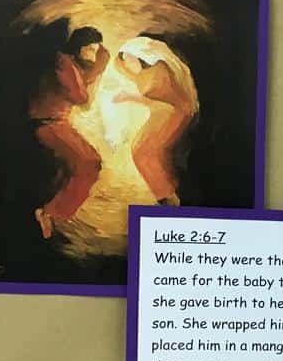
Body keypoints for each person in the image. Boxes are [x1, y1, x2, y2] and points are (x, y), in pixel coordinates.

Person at [29, 27, 110, 238]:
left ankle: (53, 214)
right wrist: (98, 68)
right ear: (78, 47)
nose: (93, 55)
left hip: (55, 123)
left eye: (96, 51)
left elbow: (81, 89)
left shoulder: (71, 63)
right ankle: (50, 214)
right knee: (90, 163)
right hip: (47, 124)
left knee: (77, 165)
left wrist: (96, 66)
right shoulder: (64, 64)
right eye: (90, 49)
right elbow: (81, 98)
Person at [113, 37, 199, 206]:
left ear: (139, 56)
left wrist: (130, 97)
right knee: (142, 152)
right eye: (125, 60)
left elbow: (164, 102)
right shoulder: (142, 74)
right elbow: (123, 69)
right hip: (161, 112)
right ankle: (164, 194)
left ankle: (168, 196)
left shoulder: (159, 72)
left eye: (129, 58)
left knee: (144, 152)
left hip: (174, 111)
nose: (127, 63)